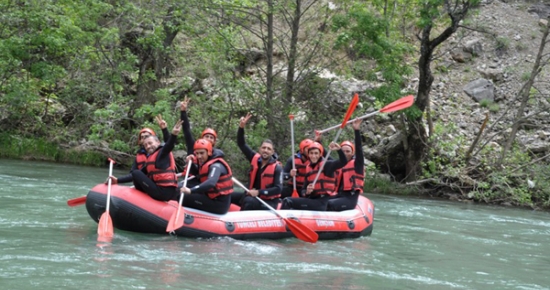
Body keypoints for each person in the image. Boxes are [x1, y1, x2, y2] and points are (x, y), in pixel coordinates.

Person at [106, 120, 183, 202]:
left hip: (163, 192)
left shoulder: (162, 153)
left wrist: (173, 134)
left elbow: (169, 145)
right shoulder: (150, 159)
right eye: (146, 145)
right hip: (161, 190)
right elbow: (135, 175)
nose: (148, 146)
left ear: (158, 142)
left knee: (136, 172)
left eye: (150, 143)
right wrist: (117, 180)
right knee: (137, 173)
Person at [231, 113, 282, 211]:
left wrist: (259, 192)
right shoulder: (254, 158)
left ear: (272, 152)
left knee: (248, 201)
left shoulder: (277, 168)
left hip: (269, 202)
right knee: (229, 195)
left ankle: (242, 223)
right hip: (252, 195)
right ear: (260, 149)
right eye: (264, 148)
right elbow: (241, 144)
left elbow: (278, 189)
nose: (265, 150)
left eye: (268, 149)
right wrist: (241, 128)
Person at [281, 141, 347, 211]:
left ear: (320, 154)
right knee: (287, 200)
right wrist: (307, 191)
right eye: (311, 153)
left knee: (288, 201)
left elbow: (343, 162)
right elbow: (303, 190)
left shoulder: (327, 165)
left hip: (321, 202)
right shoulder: (308, 168)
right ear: (308, 154)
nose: (313, 156)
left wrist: (339, 150)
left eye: (316, 153)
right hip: (312, 199)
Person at [179, 139, 233, 214]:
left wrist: (191, 190)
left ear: (209, 152)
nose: (199, 156)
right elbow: (197, 174)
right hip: (210, 197)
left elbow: (211, 183)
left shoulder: (216, 166)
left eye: (202, 153)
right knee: (179, 187)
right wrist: (189, 162)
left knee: (183, 196)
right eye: (197, 153)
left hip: (218, 204)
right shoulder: (205, 162)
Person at [179, 97, 224, 187]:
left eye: (211, 137)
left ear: (214, 142)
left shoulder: (215, 154)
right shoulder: (193, 145)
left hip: (203, 181)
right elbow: (186, 130)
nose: (208, 139)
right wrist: (183, 112)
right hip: (190, 177)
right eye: (206, 136)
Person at [327, 119, 365, 211]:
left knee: (329, 204)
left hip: (350, 199)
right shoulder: (338, 164)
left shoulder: (357, 164)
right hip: (339, 195)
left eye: (348, 151)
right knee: (321, 201)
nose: (345, 153)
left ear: (352, 153)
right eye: (343, 151)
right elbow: (324, 156)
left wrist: (356, 130)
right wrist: (318, 141)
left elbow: (359, 149)